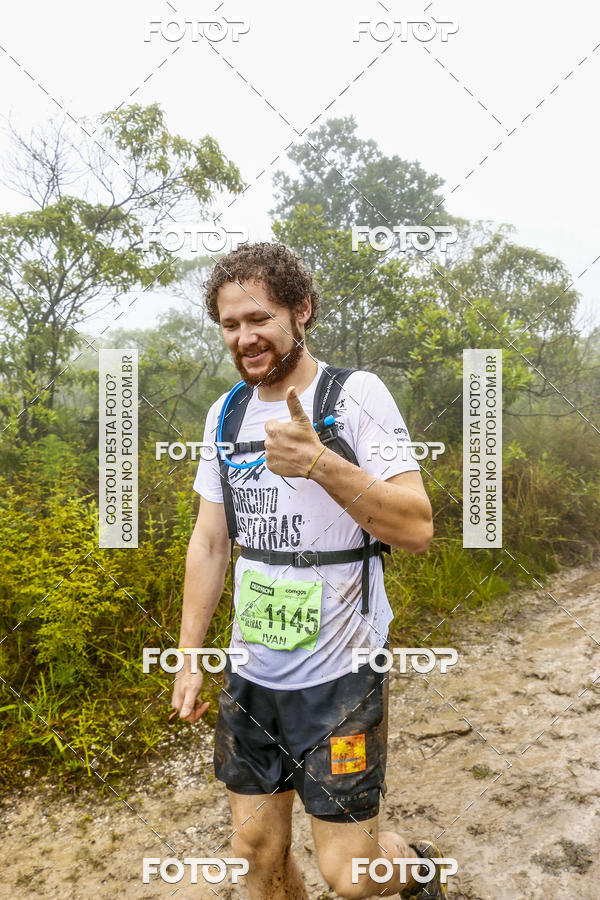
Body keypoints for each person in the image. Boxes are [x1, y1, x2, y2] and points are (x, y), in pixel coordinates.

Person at [171, 242, 449, 898]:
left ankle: (419, 864)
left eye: (259, 319)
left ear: (303, 311)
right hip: (254, 672)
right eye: (230, 324)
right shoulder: (226, 415)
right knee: (254, 852)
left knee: (349, 875)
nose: (245, 338)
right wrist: (188, 656)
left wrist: (320, 463)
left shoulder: (356, 396)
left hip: (341, 677)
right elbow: (209, 545)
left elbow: (417, 528)